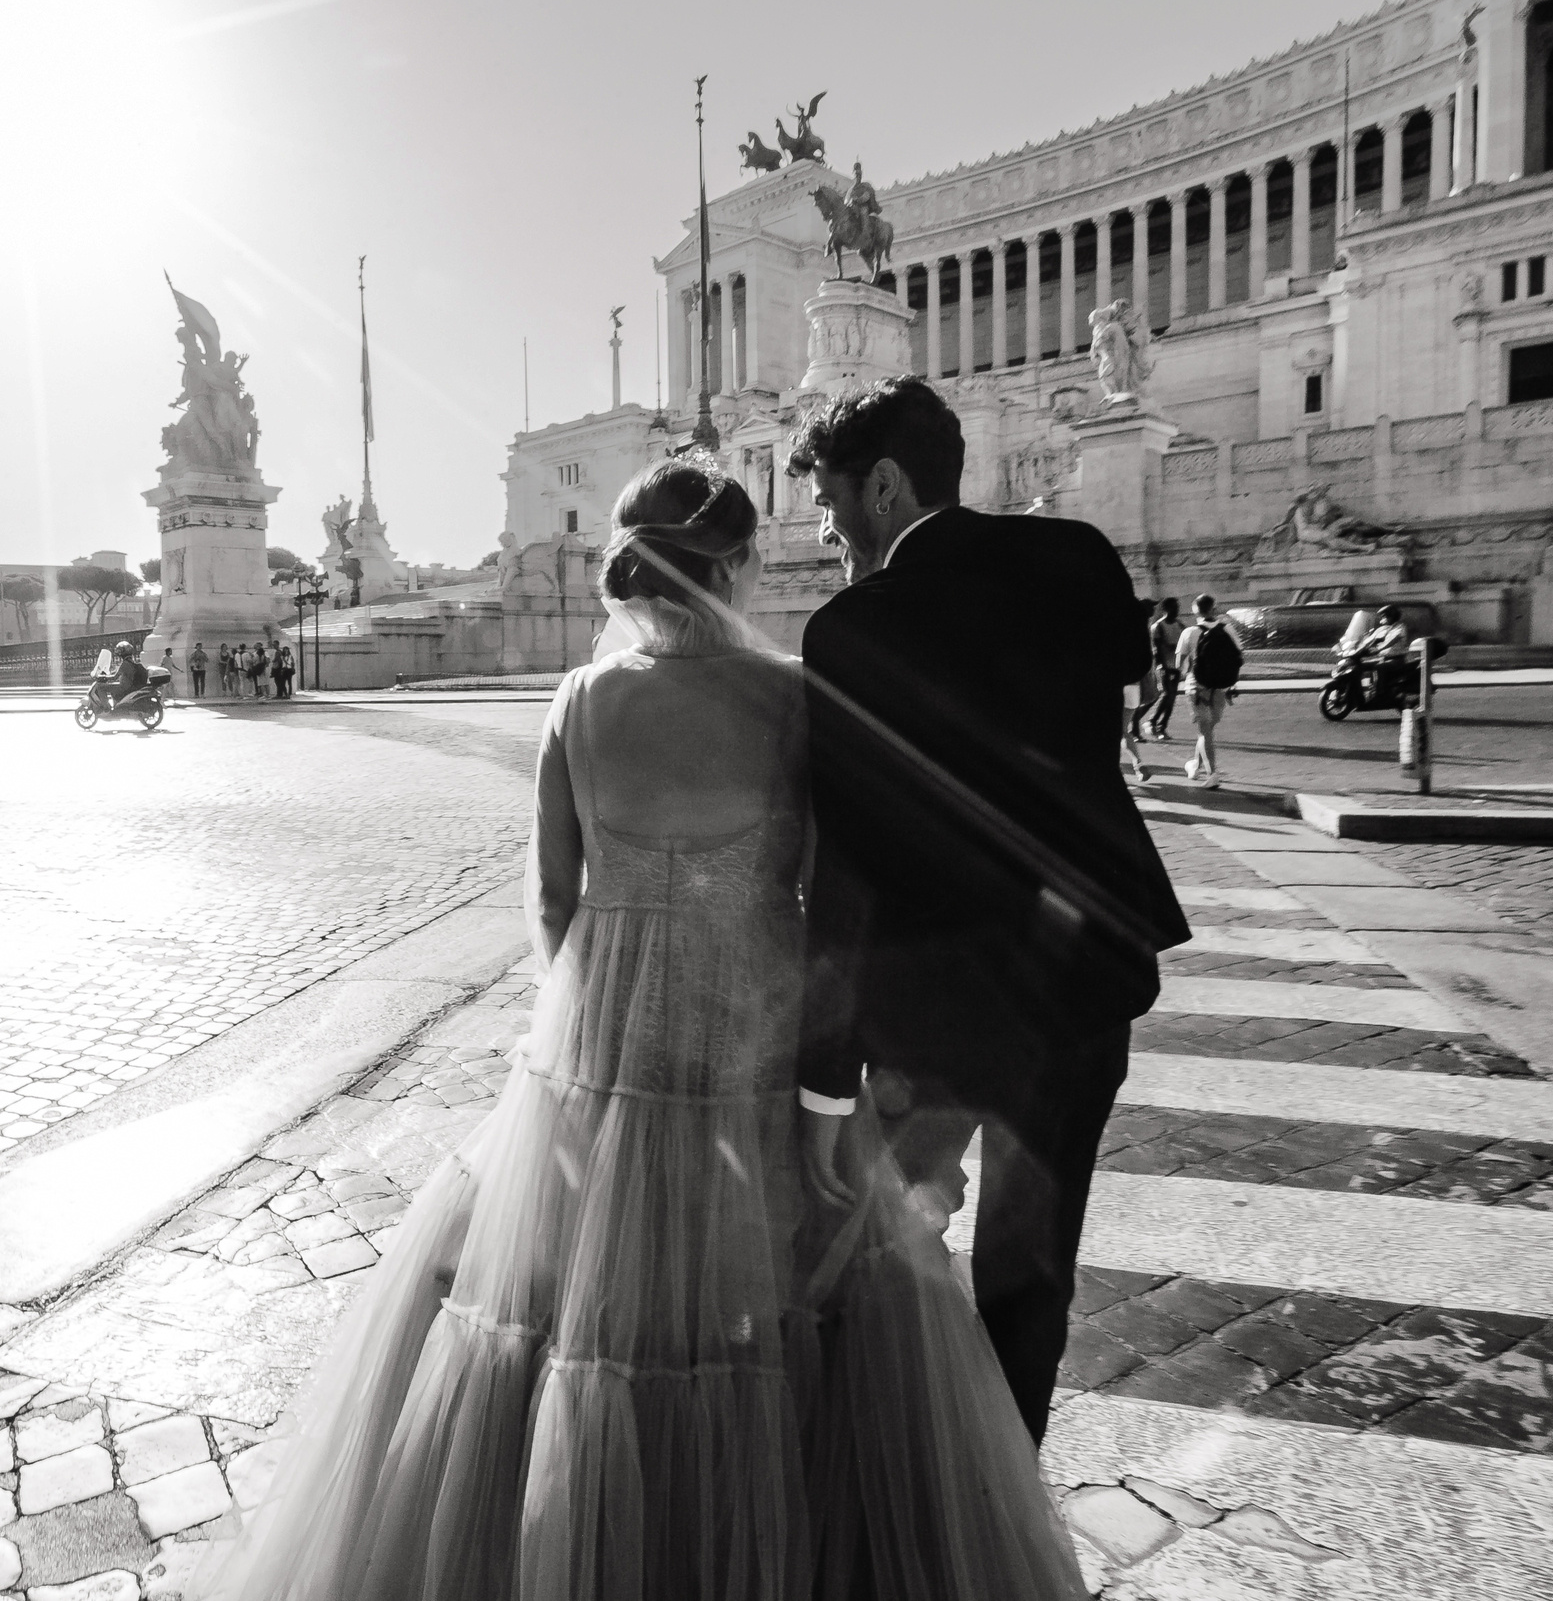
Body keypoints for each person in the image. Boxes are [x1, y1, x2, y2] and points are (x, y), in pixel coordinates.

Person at [201, 459, 1089, 1601]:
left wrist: (580, 1033)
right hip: (754, 1034)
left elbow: (551, 904)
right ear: (733, 565)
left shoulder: (579, 700)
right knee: (784, 1304)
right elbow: (835, 905)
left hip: (600, 1037)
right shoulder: (793, 699)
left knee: (565, 1308)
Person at [790, 374, 1187, 1444]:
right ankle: (1004, 1478)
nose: (826, 529)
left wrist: (822, 1077)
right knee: (1032, 1264)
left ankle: (885, 1472)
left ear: (880, 484)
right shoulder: (1078, 558)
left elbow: (848, 869)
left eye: (828, 502)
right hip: (1084, 972)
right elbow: (1109, 687)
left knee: (878, 1246)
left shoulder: (850, 629)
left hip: (939, 1009)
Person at [1175, 593, 1241, 788]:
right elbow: (1238, 656)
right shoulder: (1227, 629)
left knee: (1205, 732)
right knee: (1208, 730)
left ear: (1195, 611)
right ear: (1214, 609)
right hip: (1222, 686)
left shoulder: (1189, 633)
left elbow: (1180, 665)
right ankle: (1195, 765)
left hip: (1197, 686)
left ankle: (1212, 774)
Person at [1122, 599, 1157, 784]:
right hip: (1134, 686)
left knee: (1115, 731)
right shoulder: (1142, 634)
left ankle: (1132, 767)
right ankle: (1138, 765)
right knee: (1124, 730)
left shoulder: (1118, 629)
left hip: (1115, 686)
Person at [1142, 596, 1183, 740]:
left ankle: (1161, 726)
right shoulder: (1158, 626)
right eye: (1175, 607)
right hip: (1164, 667)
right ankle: (1152, 722)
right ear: (1166, 609)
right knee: (1167, 694)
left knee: (1171, 698)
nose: (1177, 610)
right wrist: (1163, 666)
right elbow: (1156, 649)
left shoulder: (1179, 625)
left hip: (1177, 666)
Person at [98, 640, 145, 712]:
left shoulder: (125, 664)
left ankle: (106, 708)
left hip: (124, 687)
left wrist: (102, 677)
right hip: (129, 686)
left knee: (101, 687)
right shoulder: (132, 662)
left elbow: (115, 677)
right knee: (112, 687)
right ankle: (116, 705)